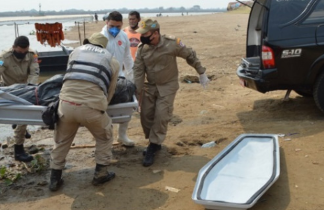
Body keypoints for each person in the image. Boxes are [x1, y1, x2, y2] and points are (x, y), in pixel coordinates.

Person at [133, 19, 210, 167]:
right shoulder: (143, 49)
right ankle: (154, 142)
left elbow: (189, 54)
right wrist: (137, 93)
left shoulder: (172, 43)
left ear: (155, 33)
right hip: (150, 86)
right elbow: (138, 71)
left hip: (168, 86)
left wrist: (201, 72)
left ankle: (153, 145)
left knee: (162, 115)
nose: (142, 37)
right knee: (146, 116)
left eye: (146, 34)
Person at [49, 33, 120, 191]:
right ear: (103, 46)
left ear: (88, 42)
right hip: (91, 106)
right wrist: (102, 107)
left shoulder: (75, 51)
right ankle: (100, 174)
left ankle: (54, 177)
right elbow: (111, 90)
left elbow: (69, 76)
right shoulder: (111, 60)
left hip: (65, 103)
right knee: (104, 136)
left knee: (62, 140)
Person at [0, 35, 40, 162]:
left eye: (24, 52)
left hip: (25, 88)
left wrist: (31, 87)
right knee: (22, 118)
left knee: (23, 117)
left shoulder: (32, 55)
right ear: (14, 47)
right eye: (19, 52)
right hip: (9, 90)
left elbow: (34, 72)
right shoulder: (4, 57)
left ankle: (19, 137)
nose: (22, 54)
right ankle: (19, 151)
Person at [100, 11, 135, 146]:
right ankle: (106, 137)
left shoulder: (124, 36)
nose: (115, 29)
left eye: (118, 26)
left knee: (125, 105)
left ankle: (122, 135)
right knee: (104, 108)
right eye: (112, 25)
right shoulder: (100, 37)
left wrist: (131, 75)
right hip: (104, 78)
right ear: (106, 23)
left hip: (119, 76)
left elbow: (127, 57)